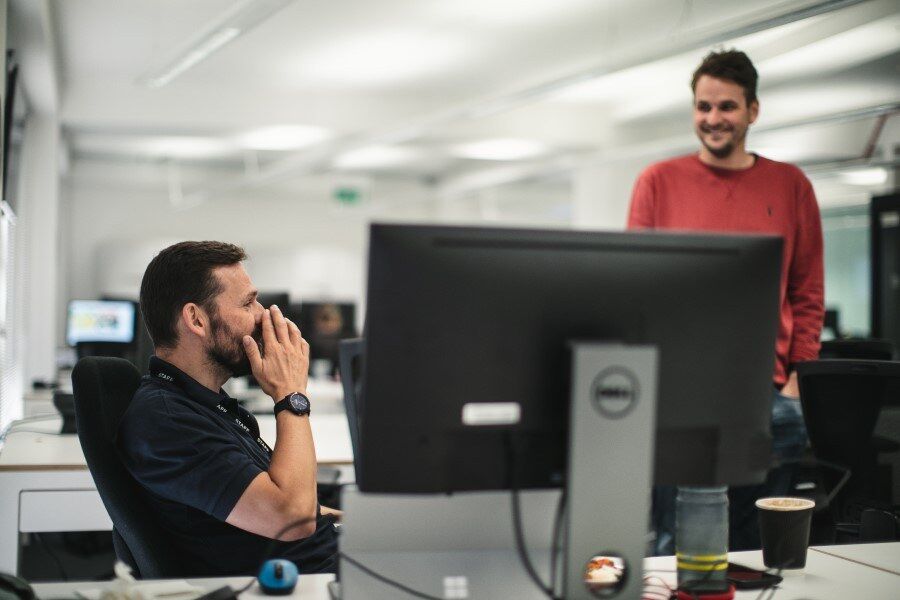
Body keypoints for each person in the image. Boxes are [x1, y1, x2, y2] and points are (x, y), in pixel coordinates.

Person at [627, 49, 824, 552]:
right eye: (703, 106)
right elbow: (635, 288)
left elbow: (807, 289)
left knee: (758, 548)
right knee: (674, 545)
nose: (713, 119)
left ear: (752, 111)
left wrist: (799, 379)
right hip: (677, 391)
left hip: (769, 392)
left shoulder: (791, 185)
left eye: (727, 107)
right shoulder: (657, 181)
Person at [116, 241, 339, 575]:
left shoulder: (209, 406)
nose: (263, 314)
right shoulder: (168, 421)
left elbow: (299, 504)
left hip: (336, 559)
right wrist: (291, 394)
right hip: (312, 582)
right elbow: (294, 517)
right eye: (248, 302)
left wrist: (369, 523)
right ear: (196, 319)